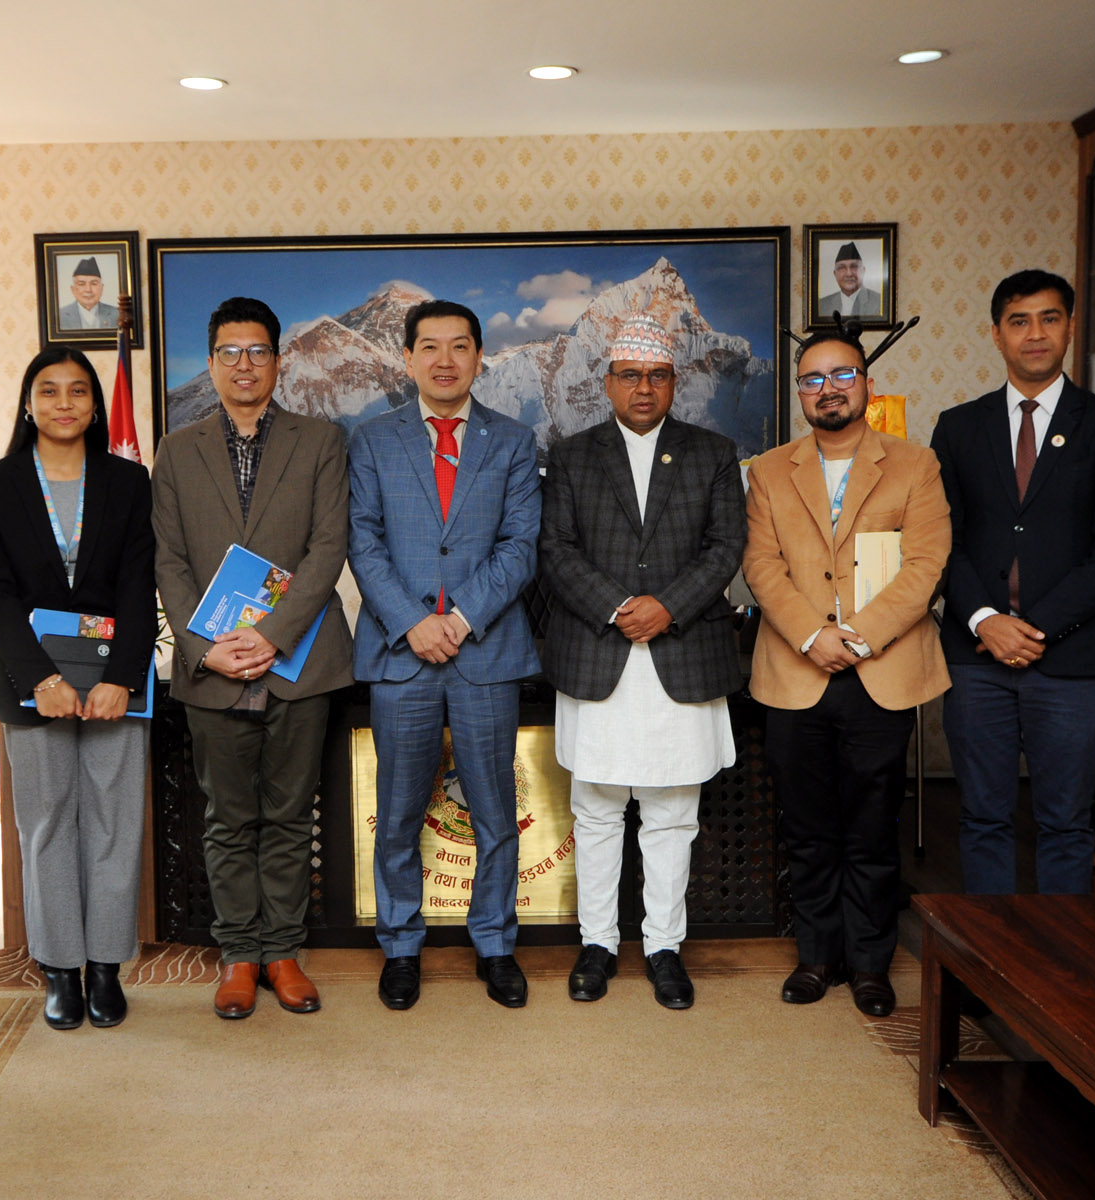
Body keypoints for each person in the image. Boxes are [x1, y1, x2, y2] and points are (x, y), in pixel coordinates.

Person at [151, 296, 354, 1020]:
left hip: (299, 660)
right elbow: (169, 560)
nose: (245, 364)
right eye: (230, 352)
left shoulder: (321, 440)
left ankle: (282, 953)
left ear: (279, 360)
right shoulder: (177, 450)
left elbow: (328, 547)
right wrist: (206, 647)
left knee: (292, 815)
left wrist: (272, 634)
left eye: (258, 351)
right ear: (211, 364)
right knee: (228, 818)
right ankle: (238, 954)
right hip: (212, 666)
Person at [537, 314, 746, 1010]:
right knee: (596, 810)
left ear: (674, 382)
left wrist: (667, 607)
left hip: (681, 653)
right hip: (599, 653)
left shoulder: (712, 453)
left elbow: (725, 546)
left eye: (657, 376)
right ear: (608, 383)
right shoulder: (571, 455)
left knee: (672, 813)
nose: (644, 388)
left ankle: (663, 947)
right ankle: (596, 944)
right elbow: (555, 550)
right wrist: (620, 606)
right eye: (630, 376)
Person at [744, 330, 950, 1017]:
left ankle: (869, 963)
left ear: (866, 384)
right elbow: (761, 565)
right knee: (805, 827)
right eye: (812, 379)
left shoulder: (915, 464)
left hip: (880, 671)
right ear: (799, 393)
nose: (827, 389)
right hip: (794, 671)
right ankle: (817, 955)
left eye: (842, 375)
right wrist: (812, 635)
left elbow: (926, 565)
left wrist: (855, 638)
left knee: (871, 827)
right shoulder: (769, 470)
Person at [347, 299, 541, 1010]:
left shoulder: (513, 440)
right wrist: (412, 623)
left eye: (459, 346)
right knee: (398, 813)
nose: (444, 360)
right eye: (429, 346)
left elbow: (520, 546)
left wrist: (457, 620)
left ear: (479, 357)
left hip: (484, 651)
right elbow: (362, 541)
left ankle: (495, 943)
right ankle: (401, 946)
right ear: (407, 358)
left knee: (494, 813)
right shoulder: (372, 440)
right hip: (402, 655)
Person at [930, 269, 1095, 896]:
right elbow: (940, 542)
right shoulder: (958, 427)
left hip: (1072, 659)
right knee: (982, 818)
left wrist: (1032, 629)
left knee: (1065, 824)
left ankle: (1058, 957)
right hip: (977, 658)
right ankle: (989, 951)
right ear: (996, 335)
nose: (1035, 334)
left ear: (1070, 328)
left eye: (1049, 318)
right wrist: (985, 621)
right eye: (1019, 321)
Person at [0, 348, 156, 1031]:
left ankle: (104, 966)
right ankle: (58, 969)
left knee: (113, 824)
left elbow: (139, 583)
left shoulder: (128, 481)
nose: (64, 402)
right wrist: (39, 677)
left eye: (78, 391)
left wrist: (121, 678)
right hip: (31, 683)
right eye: (48, 391)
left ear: (96, 407)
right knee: (46, 824)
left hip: (113, 683)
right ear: (28, 404)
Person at [817, 242, 882, 320]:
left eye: (854, 267)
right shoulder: (821, 305)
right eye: (842, 268)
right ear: (835, 274)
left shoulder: (880, 302)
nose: (849, 274)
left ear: (863, 271)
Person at [58, 257, 120, 331]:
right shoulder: (59, 316)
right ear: (73, 289)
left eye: (94, 283)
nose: (88, 290)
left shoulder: (117, 314)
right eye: (81, 284)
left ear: (102, 288)